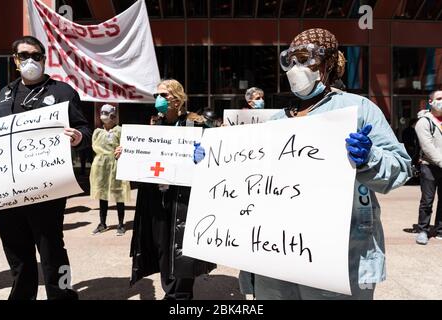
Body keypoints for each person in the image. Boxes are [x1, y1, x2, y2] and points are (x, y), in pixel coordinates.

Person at [195, 28, 411, 300]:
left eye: (305, 59)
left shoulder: (359, 110)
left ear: (329, 63)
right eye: (290, 60)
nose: (296, 68)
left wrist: (369, 159)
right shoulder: (277, 122)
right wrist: (212, 163)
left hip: (335, 256)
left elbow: (400, 169)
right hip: (275, 256)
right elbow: (249, 185)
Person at [0, 36, 91, 300]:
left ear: (44, 58)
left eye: (36, 56)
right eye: (24, 56)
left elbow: (85, 130)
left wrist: (79, 137)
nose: (30, 61)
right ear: (15, 60)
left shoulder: (62, 92)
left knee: (52, 251)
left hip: (47, 190)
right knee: (17, 254)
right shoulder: (6, 94)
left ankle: (62, 296)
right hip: (10, 193)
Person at [116, 79, 215, 300]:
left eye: (165, 95)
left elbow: (217, 153)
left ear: (178, 99)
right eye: (157, 95)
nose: (159, 100)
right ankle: (170, 290)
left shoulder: (195, 124)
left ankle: (180, 296)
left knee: (180, 247)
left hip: (183, 199)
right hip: (156, 197)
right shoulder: (154, 125)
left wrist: (204, 153)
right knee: (161, 246)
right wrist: (127, 153)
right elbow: (143, 158)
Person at [90, 104, 131, 236]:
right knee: (102, 195)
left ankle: (121, 223)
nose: (105, 116)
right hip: (101, 166)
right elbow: (94, 148)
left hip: (117, 165)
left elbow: (126, 146)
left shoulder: (120, 131)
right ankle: (102, 223)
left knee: (119, 195)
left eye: (108, 114)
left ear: (113, 116)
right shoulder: (97, 132)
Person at [415, 90, 442, 245]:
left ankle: (439, 230)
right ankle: (422, 230)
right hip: (429, 167)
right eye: (439, 98)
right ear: (430, 102)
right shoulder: (424, 122)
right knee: (427, 200)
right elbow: (427, 147)